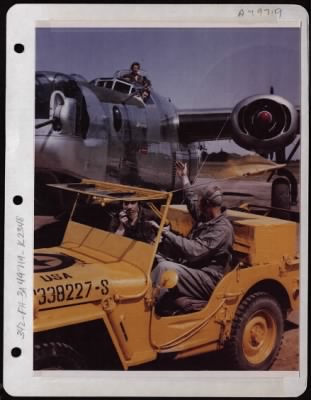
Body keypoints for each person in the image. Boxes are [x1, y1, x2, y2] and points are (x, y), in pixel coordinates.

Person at [151, 161, 234, 314]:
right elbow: (191, 200)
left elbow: (194, 251)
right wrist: (184, 177)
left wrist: (167, 233)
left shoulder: (222, 229)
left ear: (208, 205)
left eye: (201, 202)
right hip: (195, 271)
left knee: (165, 268)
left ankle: (147, 307)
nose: (198, 205)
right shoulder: (207, 217)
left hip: (209, 279)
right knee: (155, 258)